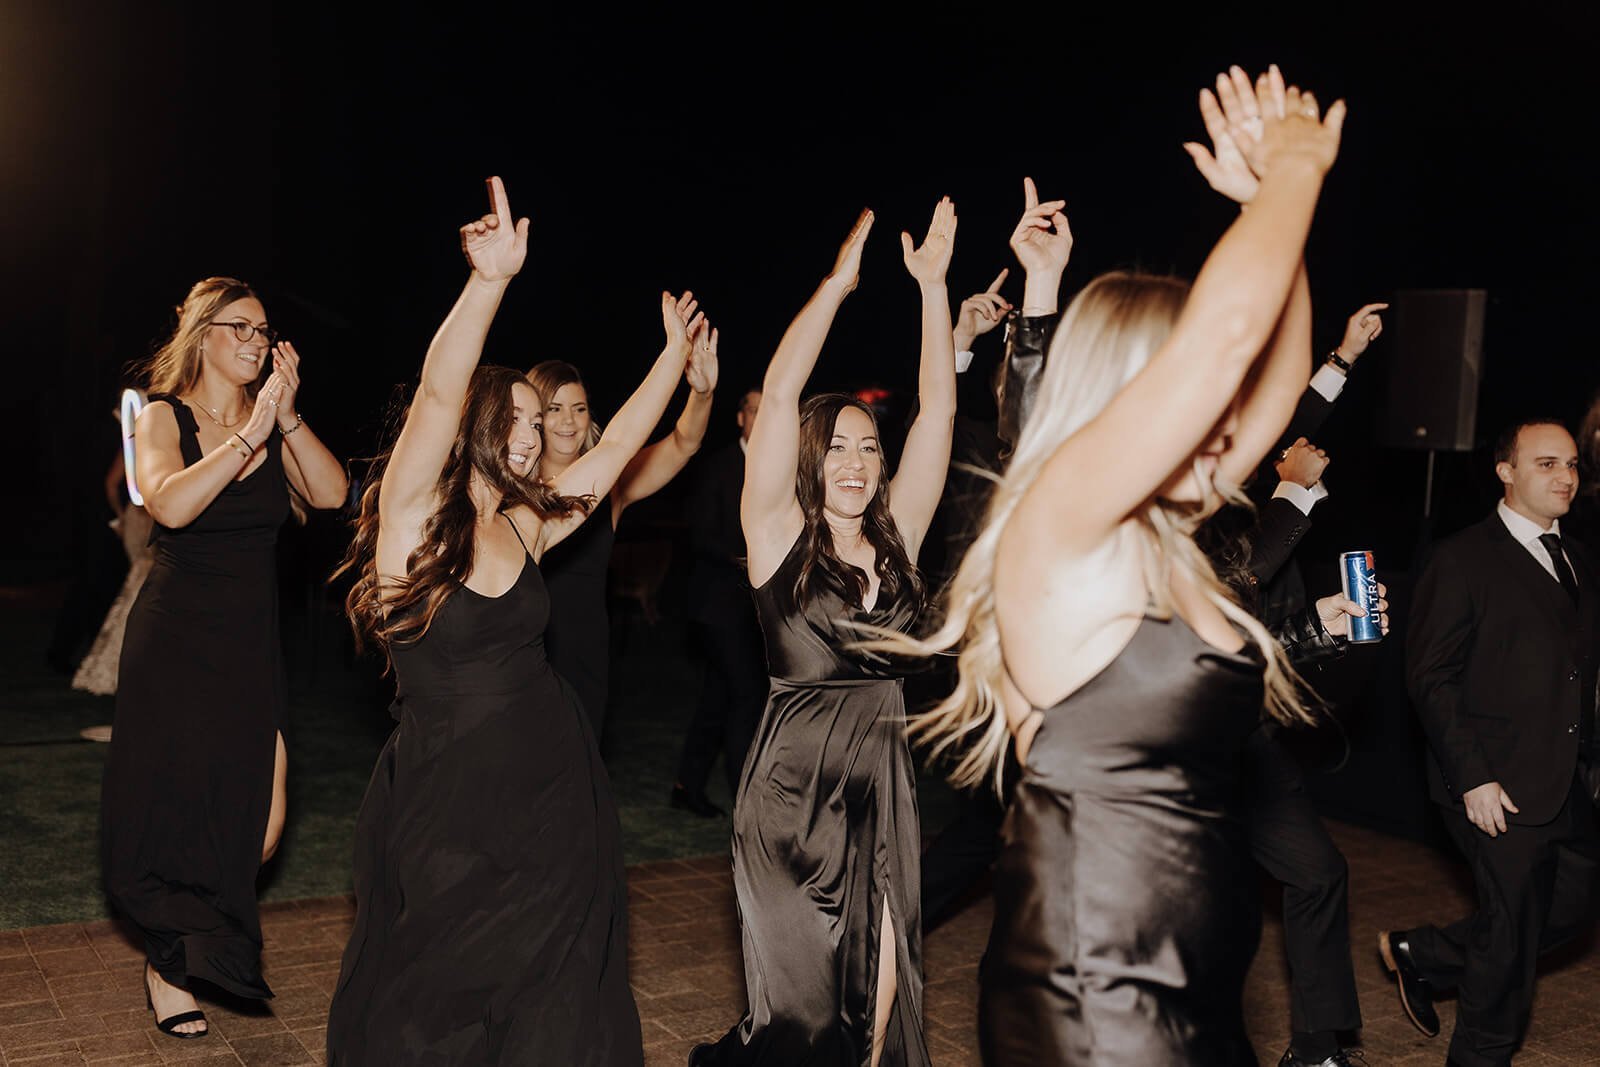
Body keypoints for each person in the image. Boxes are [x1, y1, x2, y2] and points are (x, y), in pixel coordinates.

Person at [883, 66, 1345, 1064]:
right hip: (1095, 996)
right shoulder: (1062, 521)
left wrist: (1274, 211)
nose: (1225, 430)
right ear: (1129, 395)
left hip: (1192, 985)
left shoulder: (1162, 541)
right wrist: (1300, 163)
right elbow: (1226, 343)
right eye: (1190, 402)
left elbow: (1267, 373)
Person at [326, 177, 698, 1065]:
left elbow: (609, 456)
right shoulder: (413, 514)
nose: (534, 435)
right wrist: (487, 284)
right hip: (445, 796)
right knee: (440, 986)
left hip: (553, 785)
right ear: (480, 423)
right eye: (518, 417)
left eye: (540, 419)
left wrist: (674, 358)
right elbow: (432, 396)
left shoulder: (525, 524)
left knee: (557, 977)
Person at [693, 197, 961, 1067]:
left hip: (884, 790)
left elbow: (940, 417)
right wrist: (838, 287)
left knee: (879, 1008)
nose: (855, 462)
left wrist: (931, 289)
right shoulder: (776, 536)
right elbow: (775, 398)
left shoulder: (900, 536)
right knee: (803, 1026)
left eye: (868, 448)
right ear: (812, 458)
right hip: (786, 803)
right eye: (838, 447)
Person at [101, 278, 348, 1039]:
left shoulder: (274, 419)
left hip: (248, 644)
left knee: (261, 826)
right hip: (176, 643)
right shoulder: (162, 414)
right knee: (177, 810)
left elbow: (333, 493)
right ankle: (168, 966)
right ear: (202, 334)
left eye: (264, 329)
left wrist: (287, 415)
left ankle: (185, 937)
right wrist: (246, 437)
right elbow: (167, 503)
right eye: (239, 327)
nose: (255, 340)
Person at [1381, 416, 1600, 1067]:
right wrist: (1473, 776)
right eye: (1545, 463)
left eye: (1571, 464)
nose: (1565, 476)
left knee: (1568, 910)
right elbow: (1430, 676)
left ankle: (1426, 953)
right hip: (1491, 783)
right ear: (1505, 470)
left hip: (1568, 779)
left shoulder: (1580, 559)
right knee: (1509, 946)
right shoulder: (1461, 557)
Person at [526, 319, 718, 744]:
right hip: (519, 658)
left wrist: (702, 392)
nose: (568, 422)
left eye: (579, 408)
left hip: (583, 662)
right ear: (532, 417)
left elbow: (684, 443)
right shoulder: (508, 493)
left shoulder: (610, 487)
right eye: (554, 408)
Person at [671, 387, 765, 817]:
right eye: (754, 409)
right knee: (747, 694)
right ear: (741, 417)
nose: (761, 417)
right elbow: (697, 532)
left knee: (718, 697)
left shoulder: (780, 468)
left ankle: (686, 785)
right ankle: (747, 797)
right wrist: (742, 556)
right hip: (718, 605)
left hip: (758, 609)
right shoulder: (720, 467)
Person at [73, 443, 156, 701]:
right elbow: (111, 482)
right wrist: (123, 517)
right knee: (143, 585)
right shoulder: (145, 429)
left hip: (147, 514)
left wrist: (123, 517)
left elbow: (111, 485)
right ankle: (124, 667)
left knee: (142, 587)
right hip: (147, 515)